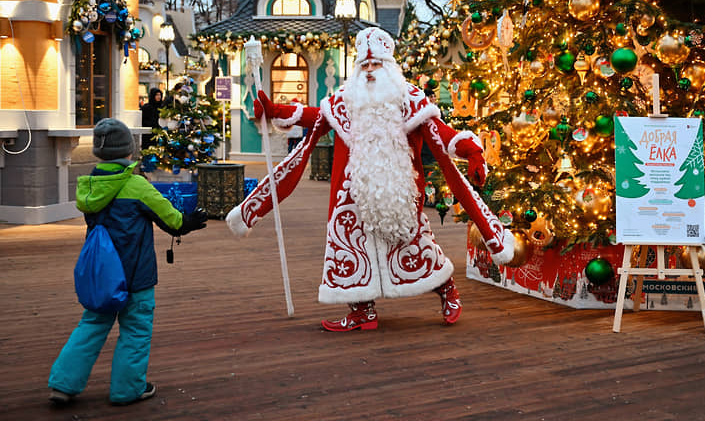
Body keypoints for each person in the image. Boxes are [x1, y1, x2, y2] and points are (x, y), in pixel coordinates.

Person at [226, 27, 514, 331]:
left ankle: (447, 291)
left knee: (415, 246)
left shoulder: (411, 99)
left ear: (389, 67)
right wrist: (273, 111)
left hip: (399, 193)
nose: (370, 71)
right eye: (364, 65)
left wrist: (471, 151)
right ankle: (362, 311)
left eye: (376, 64)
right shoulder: (344, 100)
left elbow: (441, 134)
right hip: (351, 197)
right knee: (352, 249)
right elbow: (314, 116)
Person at [48, 118, 208, 405]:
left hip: (101, 276)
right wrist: (192, 221)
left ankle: (63, 383)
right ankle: (127, 389)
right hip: (136, 276)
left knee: (91, 326)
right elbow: (173, 221)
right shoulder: (136, 186)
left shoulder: (89, 185)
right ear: (129, 152)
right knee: (135, 330)